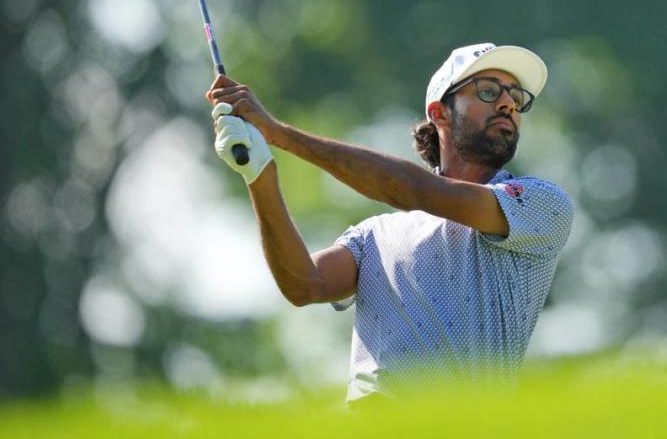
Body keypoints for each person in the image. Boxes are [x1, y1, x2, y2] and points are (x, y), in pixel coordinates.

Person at [206, 43, 574, 403]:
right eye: (489, 91)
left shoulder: (539, 205)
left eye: (516, 97)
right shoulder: (374, 235)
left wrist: (279, 134)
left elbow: (413, 188)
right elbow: (304, 284)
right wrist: (259, 174)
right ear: (440, 112)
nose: (508, 104)